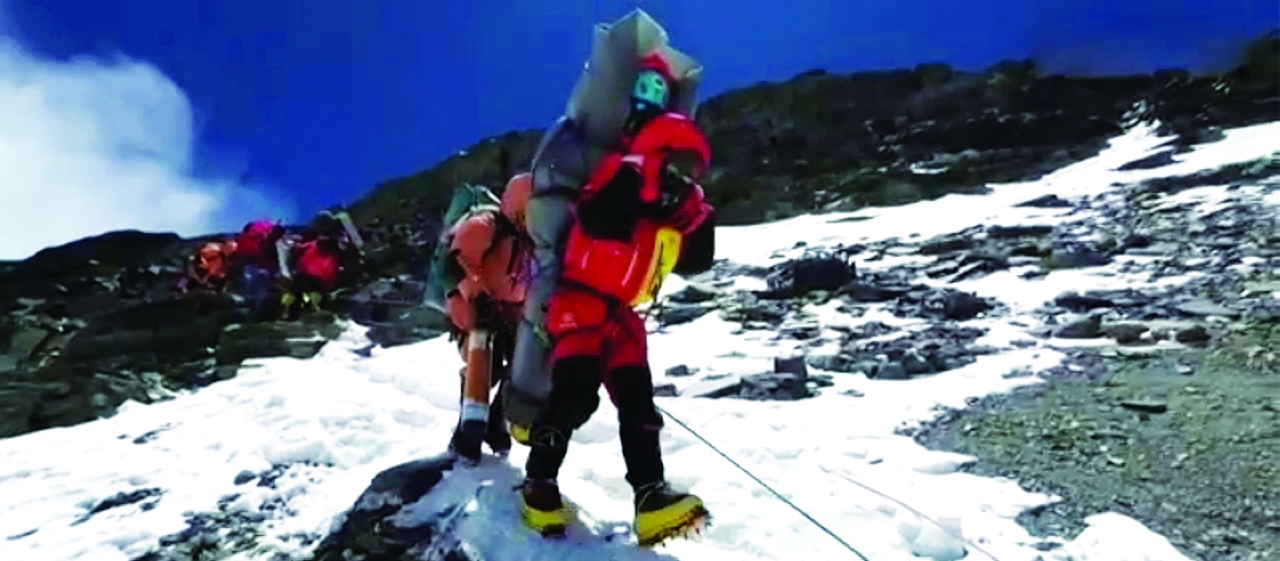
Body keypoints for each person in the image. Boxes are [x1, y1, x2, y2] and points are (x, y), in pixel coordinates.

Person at [515, 56, 719, 546]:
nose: (678, 176)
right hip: (580, 301)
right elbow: (597, 218)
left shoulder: (677, 202)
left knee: (638, 404)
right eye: (674, 163)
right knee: (575, 392)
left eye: (686, 169)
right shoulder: (619, 170)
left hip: (623, 316)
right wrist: (641, 178)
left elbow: (697, 262)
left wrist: (694, 216)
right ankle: (538, 483)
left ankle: (650, 497)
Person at [503, 5, 704, 456]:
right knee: (552, 326)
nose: (650, 98)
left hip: (608, 291)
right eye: (644, 86)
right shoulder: (585, 141)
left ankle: (542, 445)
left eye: (658, 90)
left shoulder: (640, 157)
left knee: (592, 383)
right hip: (576, 279)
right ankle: (530, 427)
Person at [434, 175, 535, 464]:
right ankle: (467, 433)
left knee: (520, 368)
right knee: (484, 366)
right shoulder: (484, 226)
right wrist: (475, 294)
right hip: (474, 308)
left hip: (509, 312)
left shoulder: (531, 242)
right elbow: (453, 266)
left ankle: (494, 423)